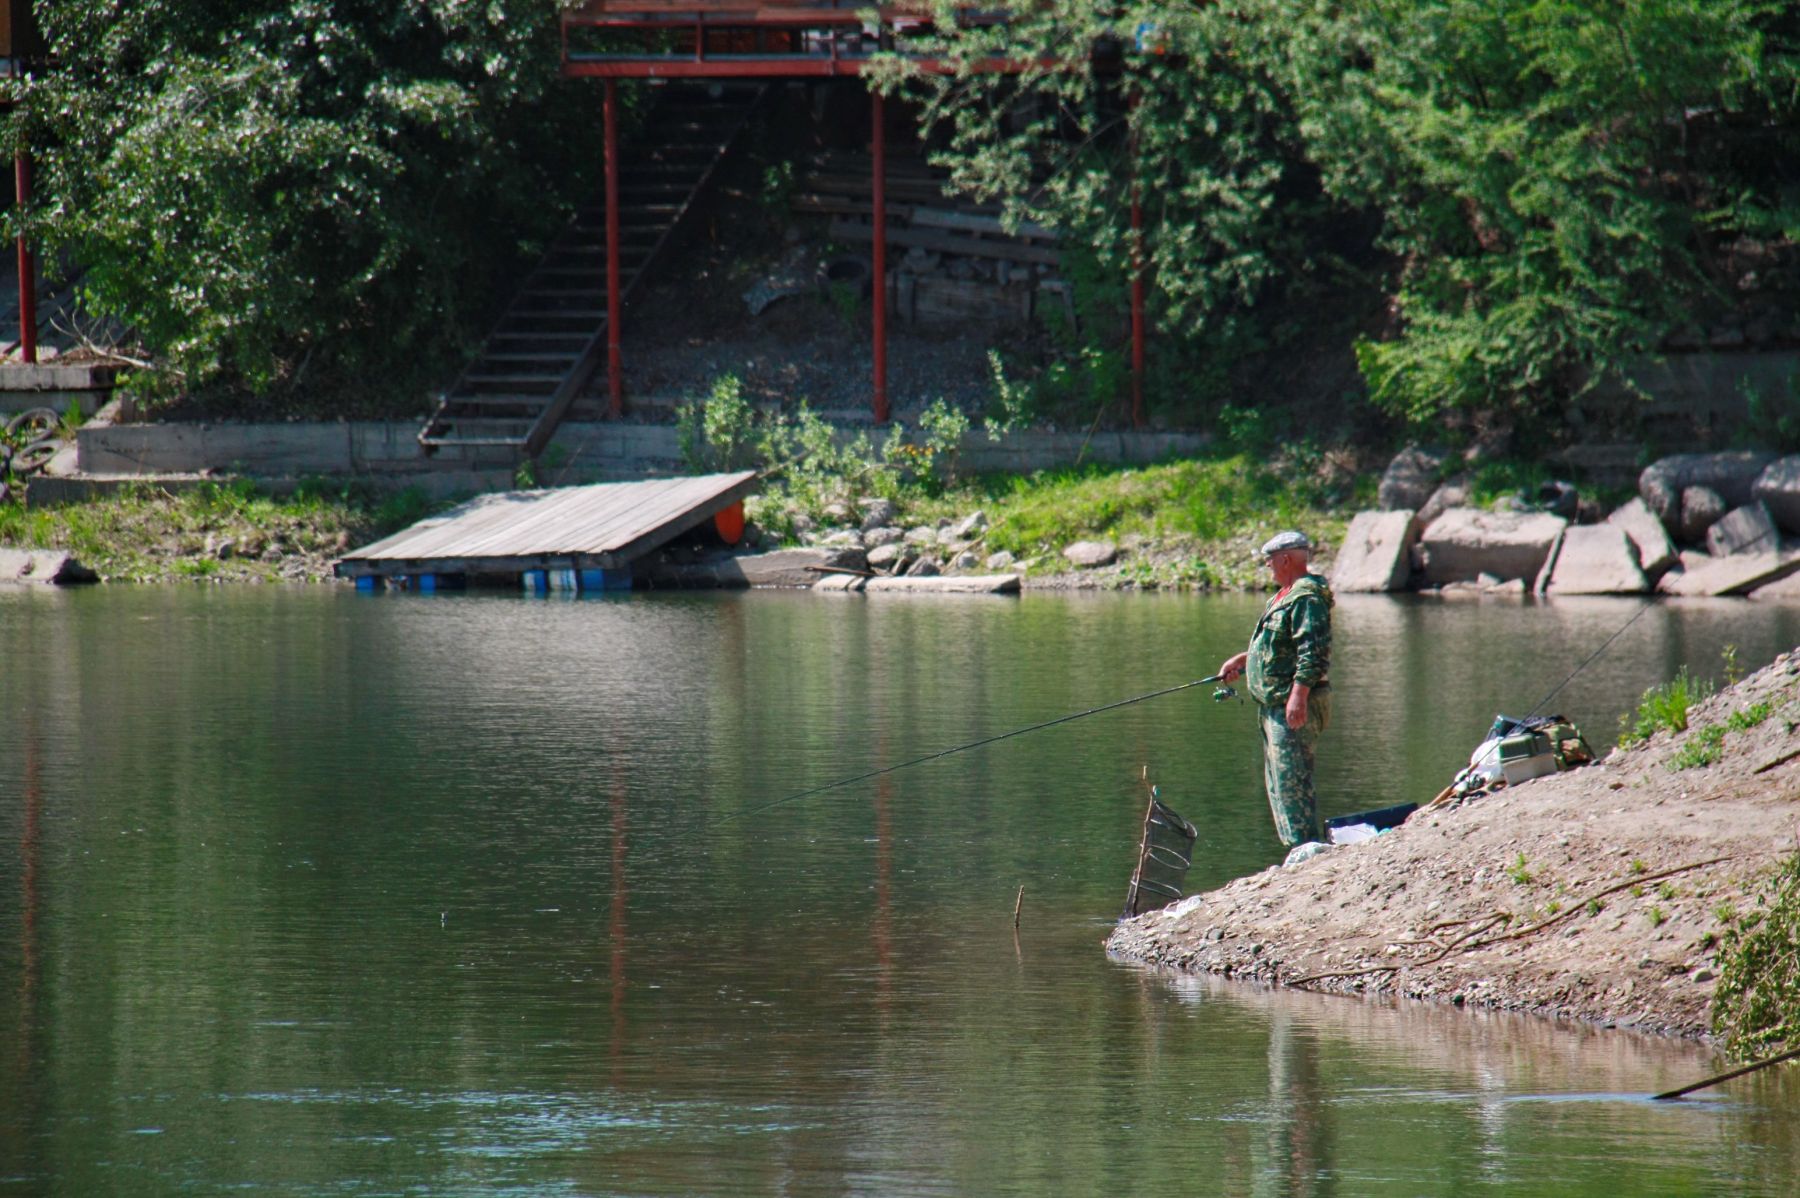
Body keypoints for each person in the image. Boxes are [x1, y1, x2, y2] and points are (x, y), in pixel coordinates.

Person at [1217, 530, 1334, 847]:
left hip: (1292, 705)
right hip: (1275, 706)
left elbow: (1313, 652)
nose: (1268, 566)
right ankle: (1297, 849)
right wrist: (1246, 660)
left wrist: (1299, 696)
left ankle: (1306, 849)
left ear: (1285, 559)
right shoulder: (1284, 594)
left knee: (1293, 781)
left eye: (1270, 560)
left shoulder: (1306, 597)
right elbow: (1281, 645)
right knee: (1279, 783)